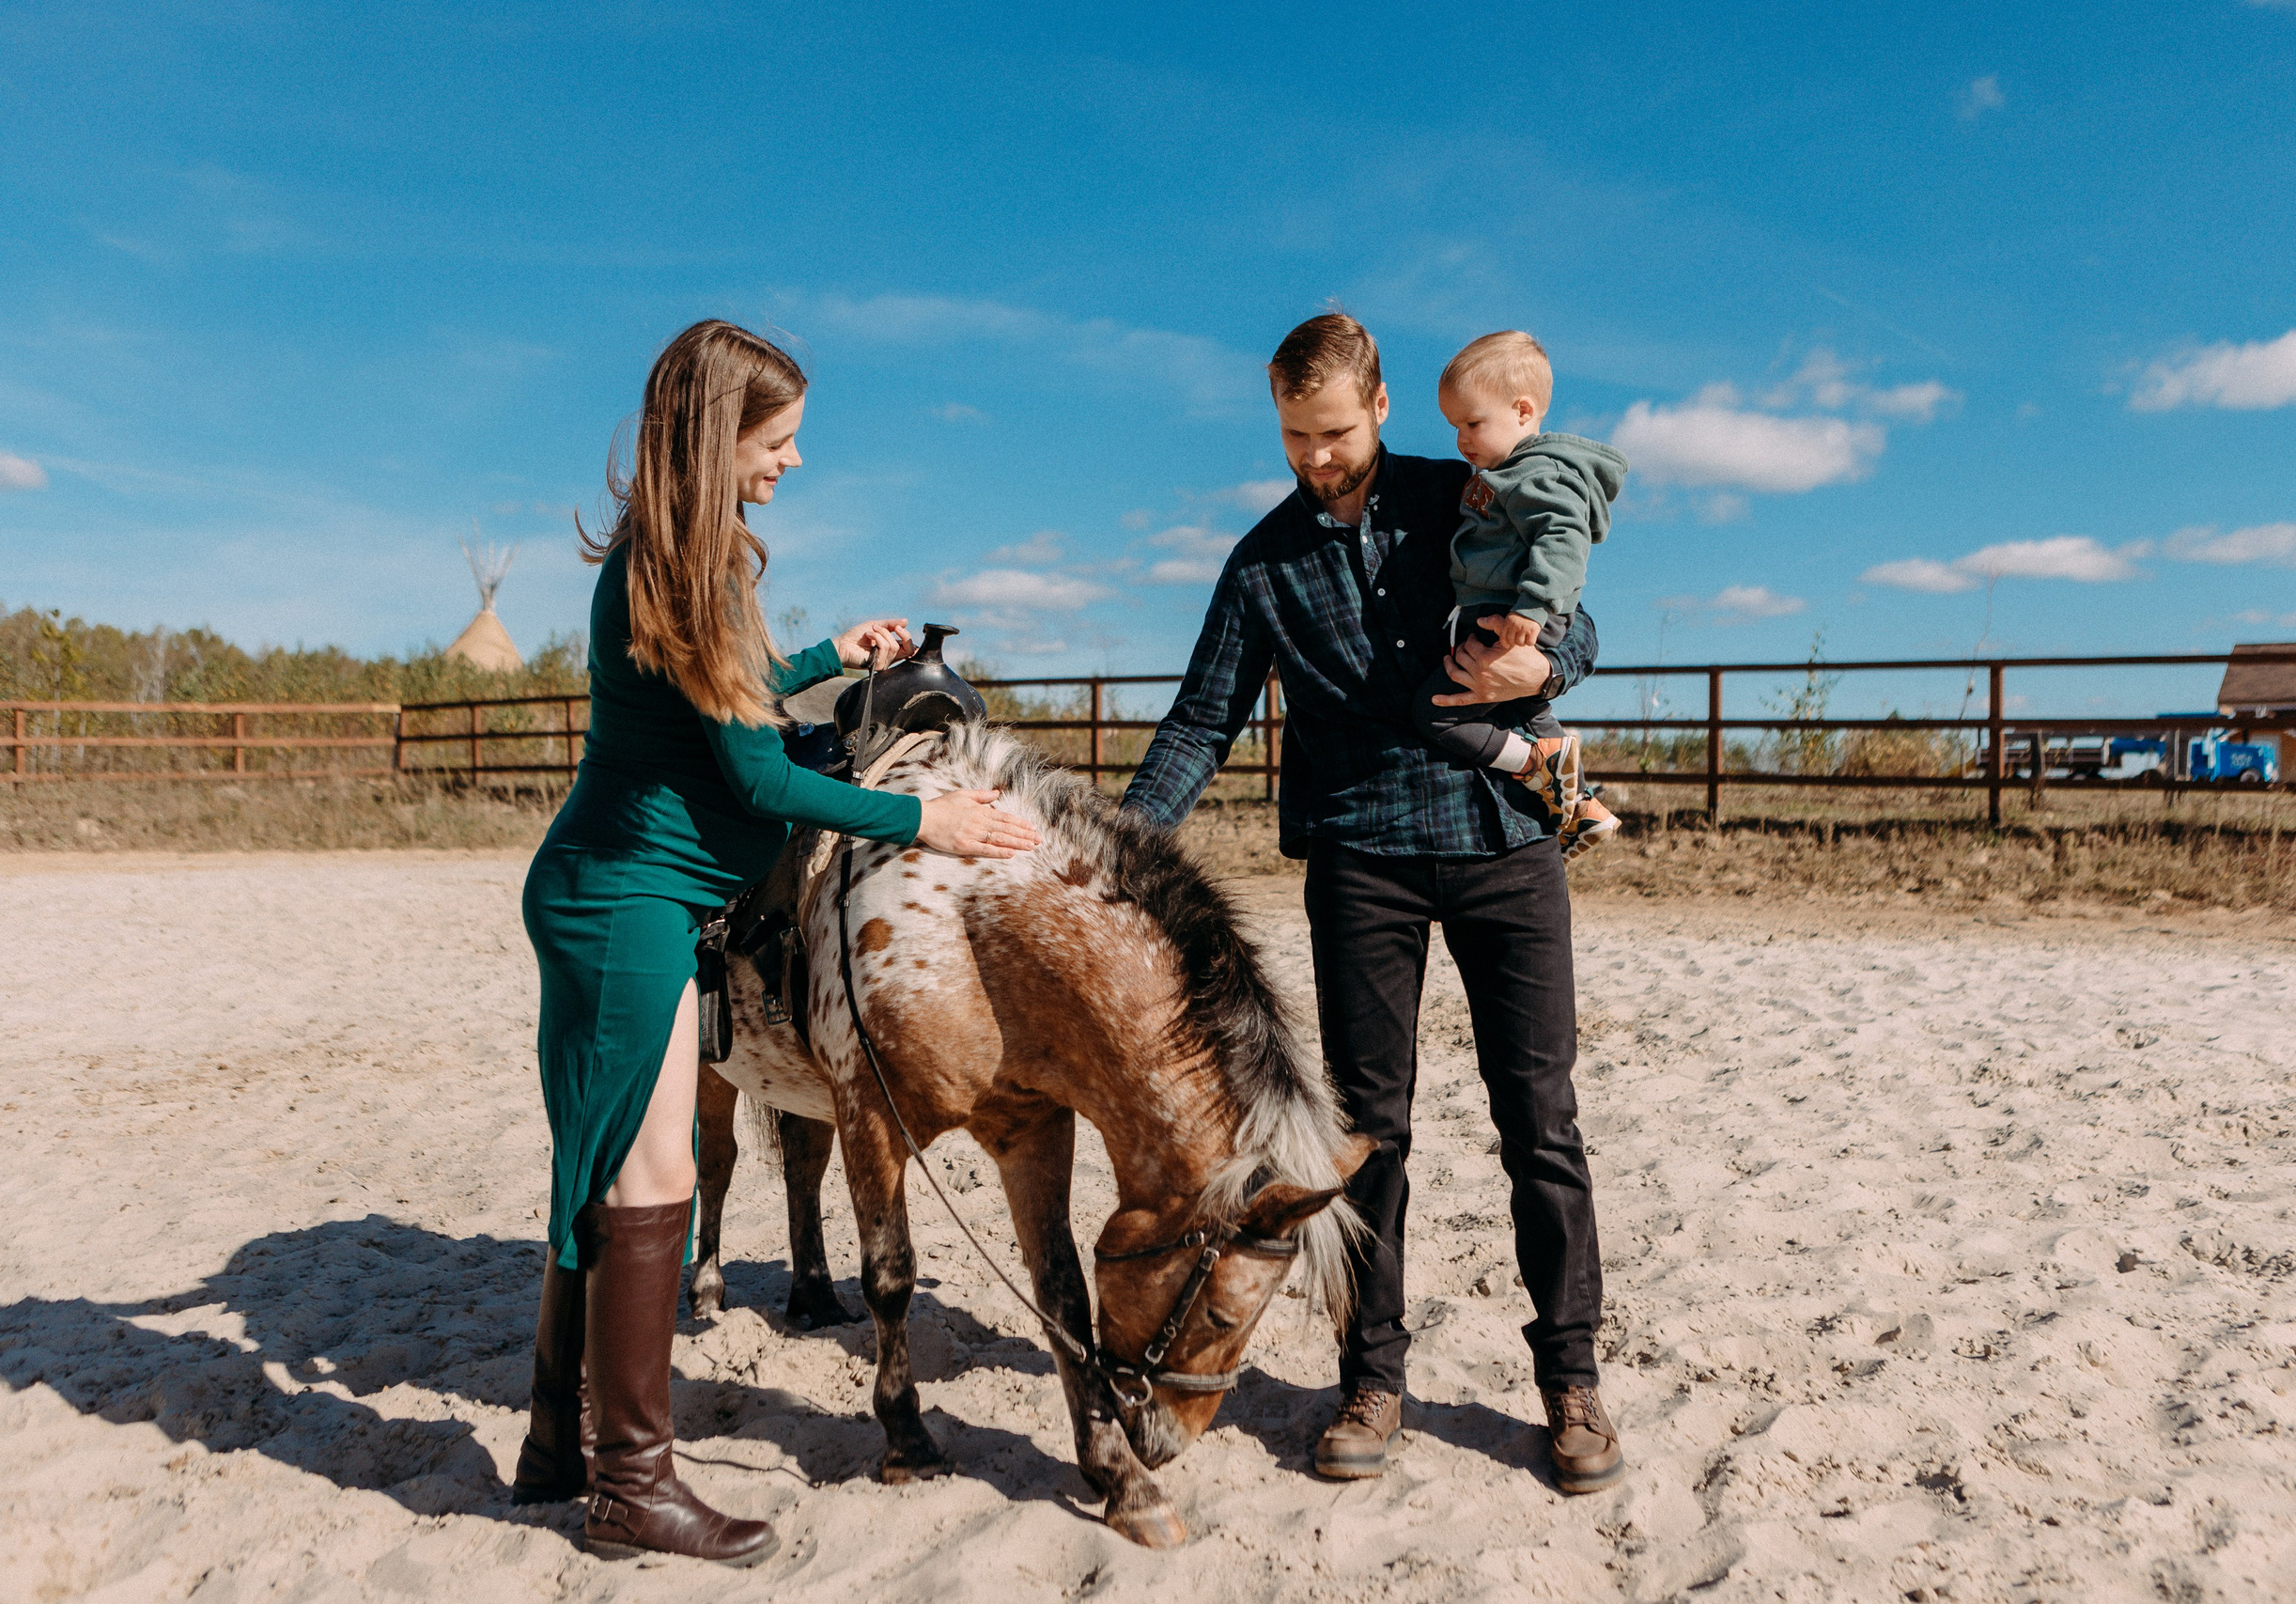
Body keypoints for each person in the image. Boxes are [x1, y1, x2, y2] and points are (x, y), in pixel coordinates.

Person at [512, 319, 1040, 1565]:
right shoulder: (691, 567)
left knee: (602, 1170)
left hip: (619, 889)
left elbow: (726, 694)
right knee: (647, 1180)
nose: (795, 460)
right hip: (627, 900)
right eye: (780, 438)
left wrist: (824, 654)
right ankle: (633, 1487)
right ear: (718, 437)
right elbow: (759, 778)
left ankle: (553, 1443)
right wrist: (930, 818)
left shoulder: (679, 560)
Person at [1121, 312, 1624, 1496]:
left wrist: (1538, 671)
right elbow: (1204, 718)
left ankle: (1571, 1382)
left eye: (1334, 432)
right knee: (1367, 1138)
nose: (1315, 459)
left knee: (1539, 1122)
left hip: (1505, 842)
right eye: (1294, 436)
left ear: (1382, 406)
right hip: (1362, 863)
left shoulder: (1474, 489)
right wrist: (1126, 842)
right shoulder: (1260, 564)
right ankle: (1371, 1377)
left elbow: (1579, 616)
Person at [1412, 330, 1624, 859]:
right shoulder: (1507, 472)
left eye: (1472, 423)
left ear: (1523, 411)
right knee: (1530, 718)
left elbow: (1563, 538)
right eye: (1455, 426)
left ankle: (1532, 766)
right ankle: (1584, 812)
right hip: (1505, 611)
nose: (1461, 439)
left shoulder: (1537, 473)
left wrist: (1532, 606)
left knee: (1436, 712)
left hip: (1513, 616)